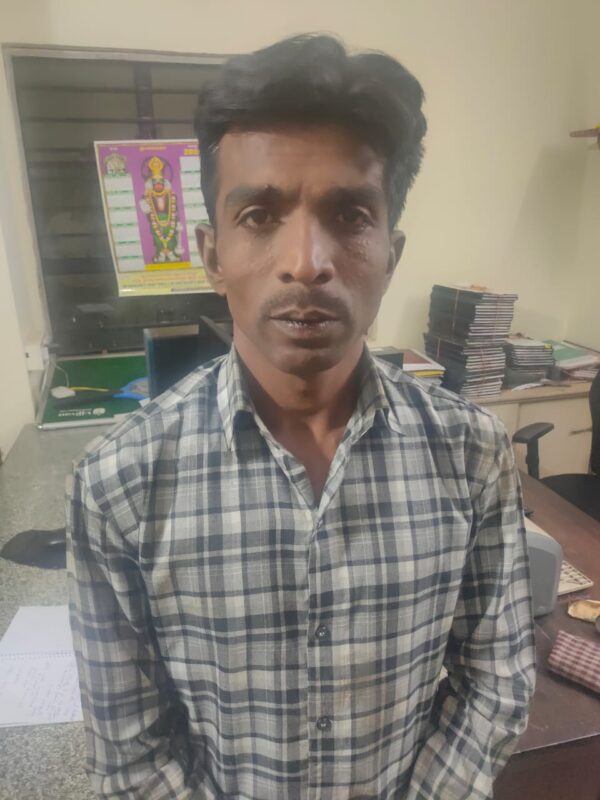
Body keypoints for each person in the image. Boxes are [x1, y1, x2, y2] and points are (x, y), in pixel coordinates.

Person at [68, 34, 535, 800]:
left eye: (349, 215)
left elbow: (496, 681)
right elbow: (131, 753)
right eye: (260, 214)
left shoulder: (472, 454)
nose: (306, 261)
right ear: (211, 255)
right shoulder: (119, 483)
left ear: (391, 253)